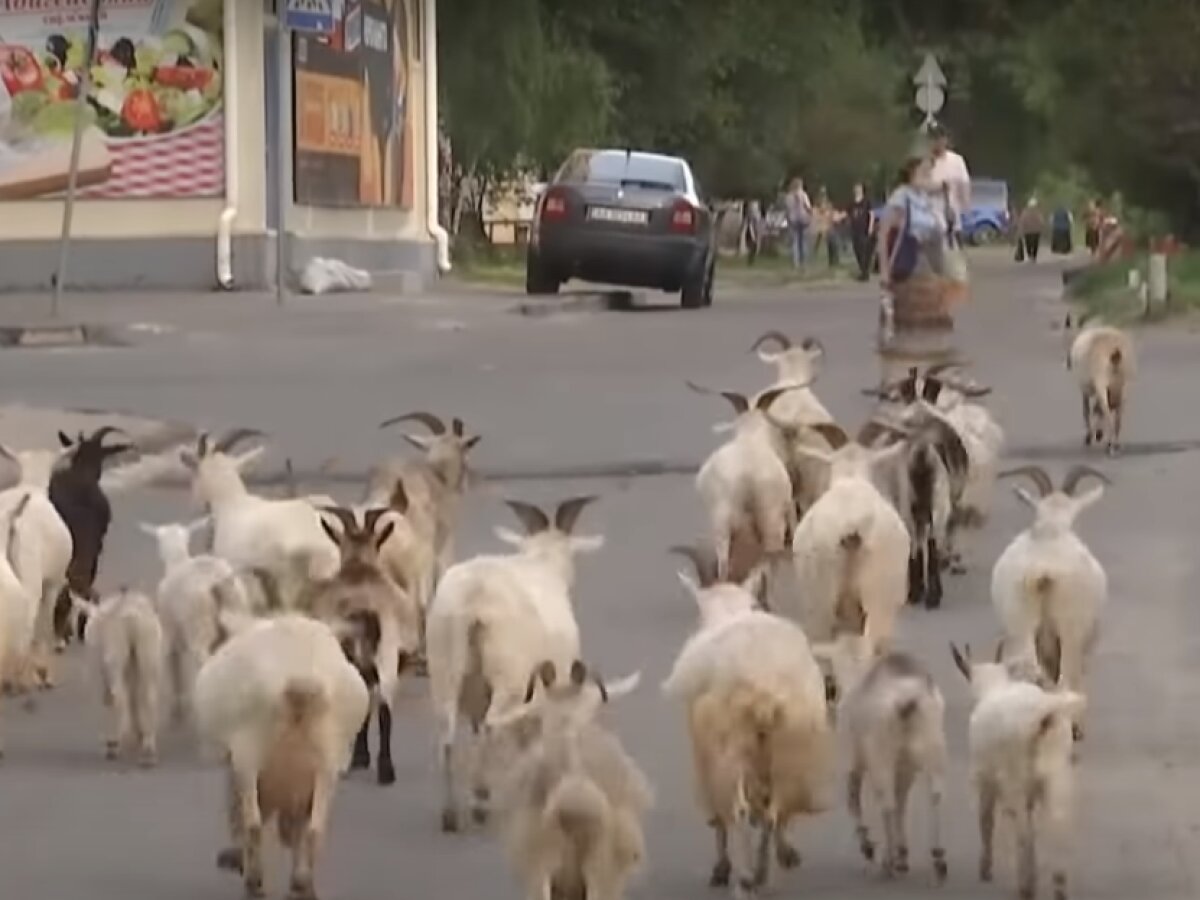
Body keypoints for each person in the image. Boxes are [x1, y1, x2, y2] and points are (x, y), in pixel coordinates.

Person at [878, 154, 946, 289]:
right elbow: (883, 235)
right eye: (924, 171)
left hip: (930, 261)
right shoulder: (901, 196)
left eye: (929, 172)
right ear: (911, 173)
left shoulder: (925, 198)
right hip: (908, 262)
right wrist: (884, 271)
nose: (928, 176)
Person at [928, 123, 971, 246]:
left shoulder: (956, 160)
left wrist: (965, 206)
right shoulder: (925, 161)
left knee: (953, 251)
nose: (938, 142)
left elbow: (964, 184)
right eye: (934, 139)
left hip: (951, 214)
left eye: (940, 138)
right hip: (929, 215)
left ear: (945, 140)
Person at [847, 182, 875, 280]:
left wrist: (870, 227)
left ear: (862, 190)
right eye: (855, 189)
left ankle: (865, 273)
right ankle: (862, 270)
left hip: (864, 229)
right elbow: (848, 214)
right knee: (857, 250)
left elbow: (871, 214)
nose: (856, 190)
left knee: (864, 251)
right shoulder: (852, 203)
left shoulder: (867, 201)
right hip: (855, 229)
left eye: (858, 189)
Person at [784, 177, 812, 268]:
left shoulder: (788, 196)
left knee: (795, 241)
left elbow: (787, 209)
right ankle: (803, 261)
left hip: (793, 220)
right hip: (803, 219)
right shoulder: (803, 195)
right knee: (803, 241)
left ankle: (795, 262)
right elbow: (808, 207)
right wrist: (811, 214)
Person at [1017, 197, 1045, 262]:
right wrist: (1042, 227)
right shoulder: (1038, 212)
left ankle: (1030, 255)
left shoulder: (1025, 212)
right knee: (1036, 243)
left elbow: (1022, 221)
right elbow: (1041, 221)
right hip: (1036, 230)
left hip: (1027, 231)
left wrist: (1021, 230)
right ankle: (1034, 256)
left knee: (1028, 243)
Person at [740, 199, 763, 265]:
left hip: (753, 219)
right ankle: (752, 253)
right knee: (753, 237)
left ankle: (753, 251)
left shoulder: (753, 203)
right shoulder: (752, 203)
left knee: (754, 237)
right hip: (752, 220)